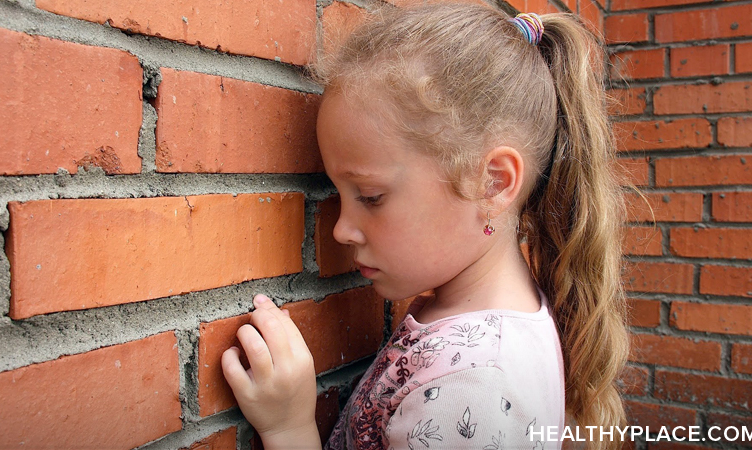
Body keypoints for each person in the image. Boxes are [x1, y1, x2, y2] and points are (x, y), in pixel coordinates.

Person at [221, 3, 629, 450]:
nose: (341, 230)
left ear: (491, 183)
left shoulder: (473, 388)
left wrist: (289, 429)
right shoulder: (474, 323)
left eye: (371, 197)